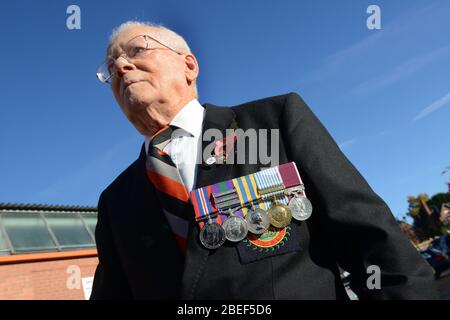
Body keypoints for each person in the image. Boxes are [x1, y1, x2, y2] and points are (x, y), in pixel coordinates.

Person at [90, 21, 438, 300]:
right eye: (110, 67)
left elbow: (374, 243)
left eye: (137, 49)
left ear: (189, 66)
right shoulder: (115, 201)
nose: (121, 65)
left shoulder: (273, 123)